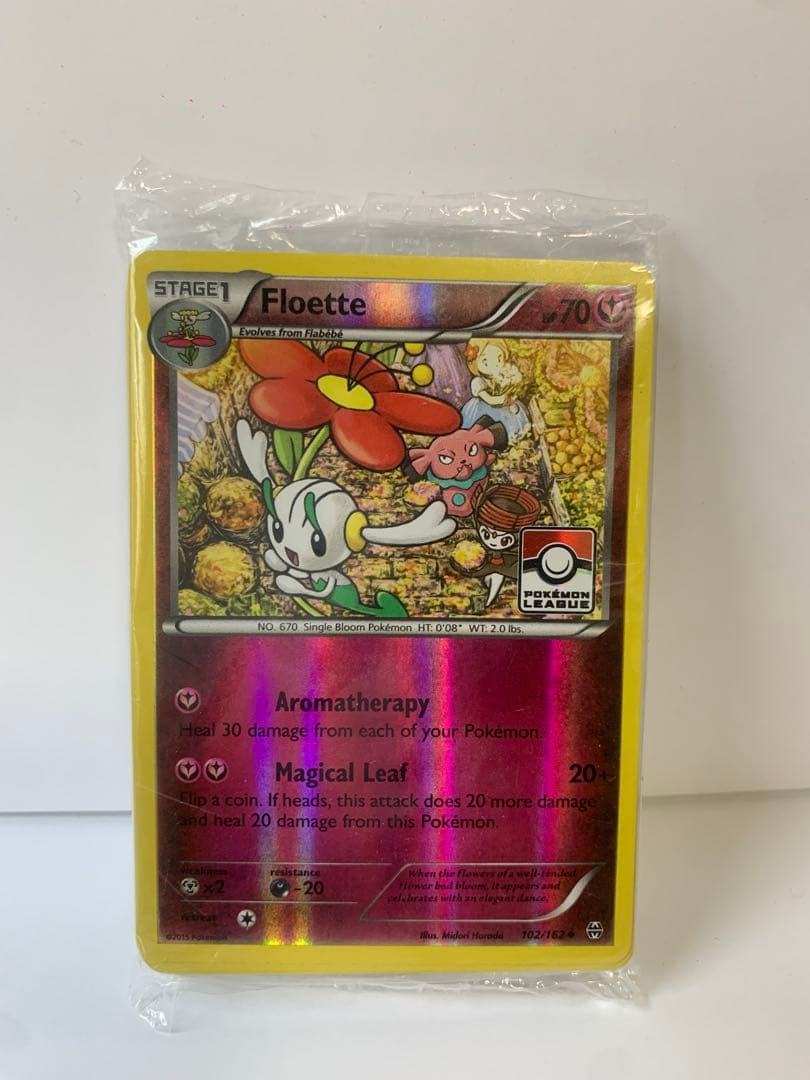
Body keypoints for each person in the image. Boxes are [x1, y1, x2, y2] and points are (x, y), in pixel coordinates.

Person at [460, 340, 529, 440]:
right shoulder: (479, 382)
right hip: (484, 411)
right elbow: (489, 399)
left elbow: (512, 392)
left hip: (506, 408)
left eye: (499, 358)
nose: (495, 365)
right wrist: (499, 399)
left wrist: (511, 396)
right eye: (485, 362)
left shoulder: (504, 374)